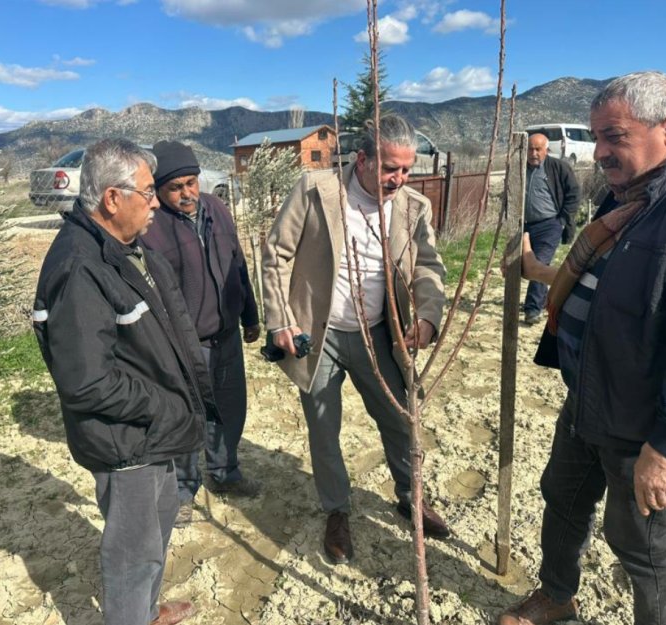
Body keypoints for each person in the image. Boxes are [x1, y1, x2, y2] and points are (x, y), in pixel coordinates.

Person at [499, 71, 666, 625]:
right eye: (596, 137)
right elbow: (608, 288)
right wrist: (538, 272)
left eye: (613, 136)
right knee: (564, 497)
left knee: (641, 545)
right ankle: (557, 596)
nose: (598, 151)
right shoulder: (630, 197)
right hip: (591, 397)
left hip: (641, 426)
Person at [32, 139, 214, 625]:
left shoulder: (118, 247)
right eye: (148, 192)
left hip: (150, 432)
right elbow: (87, 382)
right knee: (133, 556)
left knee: (154, 534)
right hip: (127, 439)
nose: (157, 203)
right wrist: (165, 406)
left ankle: (147, 612)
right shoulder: (80, 267)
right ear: (113, 199)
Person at [261, 114, 450, 565]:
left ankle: (410, 496)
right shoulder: (316, 190)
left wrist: (427, 314)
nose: (399, 179)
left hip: (378, 334)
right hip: (319, 332)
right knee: (324, 430)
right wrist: (281, 319)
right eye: (390, 168)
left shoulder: (411, 207)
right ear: (362, 159)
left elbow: (428, 267)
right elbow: (276, 254)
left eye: (406, 170)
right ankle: (337, 512)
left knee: (401, 418)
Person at [140, 140, 261, 526]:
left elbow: (237, 265)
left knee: (229, 410)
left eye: (191, 182)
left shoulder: (218, 209)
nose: (186, 193)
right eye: (175, 187)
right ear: (158, 190)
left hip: (225, 336)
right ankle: (183, 491)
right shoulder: (151, 228)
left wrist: (250, 315)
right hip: (183, 346)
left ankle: (225, 473)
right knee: (189, 418)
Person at [521, 132, 580, 325]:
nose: (533, 153)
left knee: (540, 263)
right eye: (530, 149)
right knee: (518, 264)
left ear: (546, 150)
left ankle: (532, 308)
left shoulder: (558, 167)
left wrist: (563, 219)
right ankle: (538, 299)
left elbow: (573, 193)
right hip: (523, 226)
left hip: (550, 224)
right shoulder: (519, 169)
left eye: (538, 149)